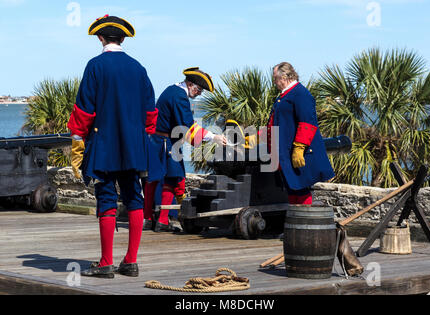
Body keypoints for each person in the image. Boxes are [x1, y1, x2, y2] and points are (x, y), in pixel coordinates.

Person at [67, 15, 158, 278]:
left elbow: (83, 110)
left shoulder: (95, 66)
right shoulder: (139, 68)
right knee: (134, 197)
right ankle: (130, 261)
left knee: (106, 198)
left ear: (100, 38)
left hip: (104, 145)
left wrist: (77, 141)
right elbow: (150, 113)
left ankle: (106, 262)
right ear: (123, 38)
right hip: (133, 147)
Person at [143, 67, 227, 232]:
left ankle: (148, 219)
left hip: (159, 140)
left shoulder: (171, 90)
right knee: (173, 179)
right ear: (189, 84)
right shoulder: (180, 97)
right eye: (199, 89)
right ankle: (162, 221)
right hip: (167, 142)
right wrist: (213, 136)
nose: (199, 93)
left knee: (153, 179)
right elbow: (188, 126)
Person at [247, 62, 335, 204]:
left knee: (301, 189)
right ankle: (295, 220)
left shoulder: (300, 93)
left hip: (294, 153)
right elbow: (276, 124)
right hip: (283, 153)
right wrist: (255, 139)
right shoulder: (285, 95)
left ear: (285, 77)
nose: (274, 82)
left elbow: (307, 122)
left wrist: (299, 148)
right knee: (292, 190)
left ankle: (302, 222)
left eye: (275, 78)